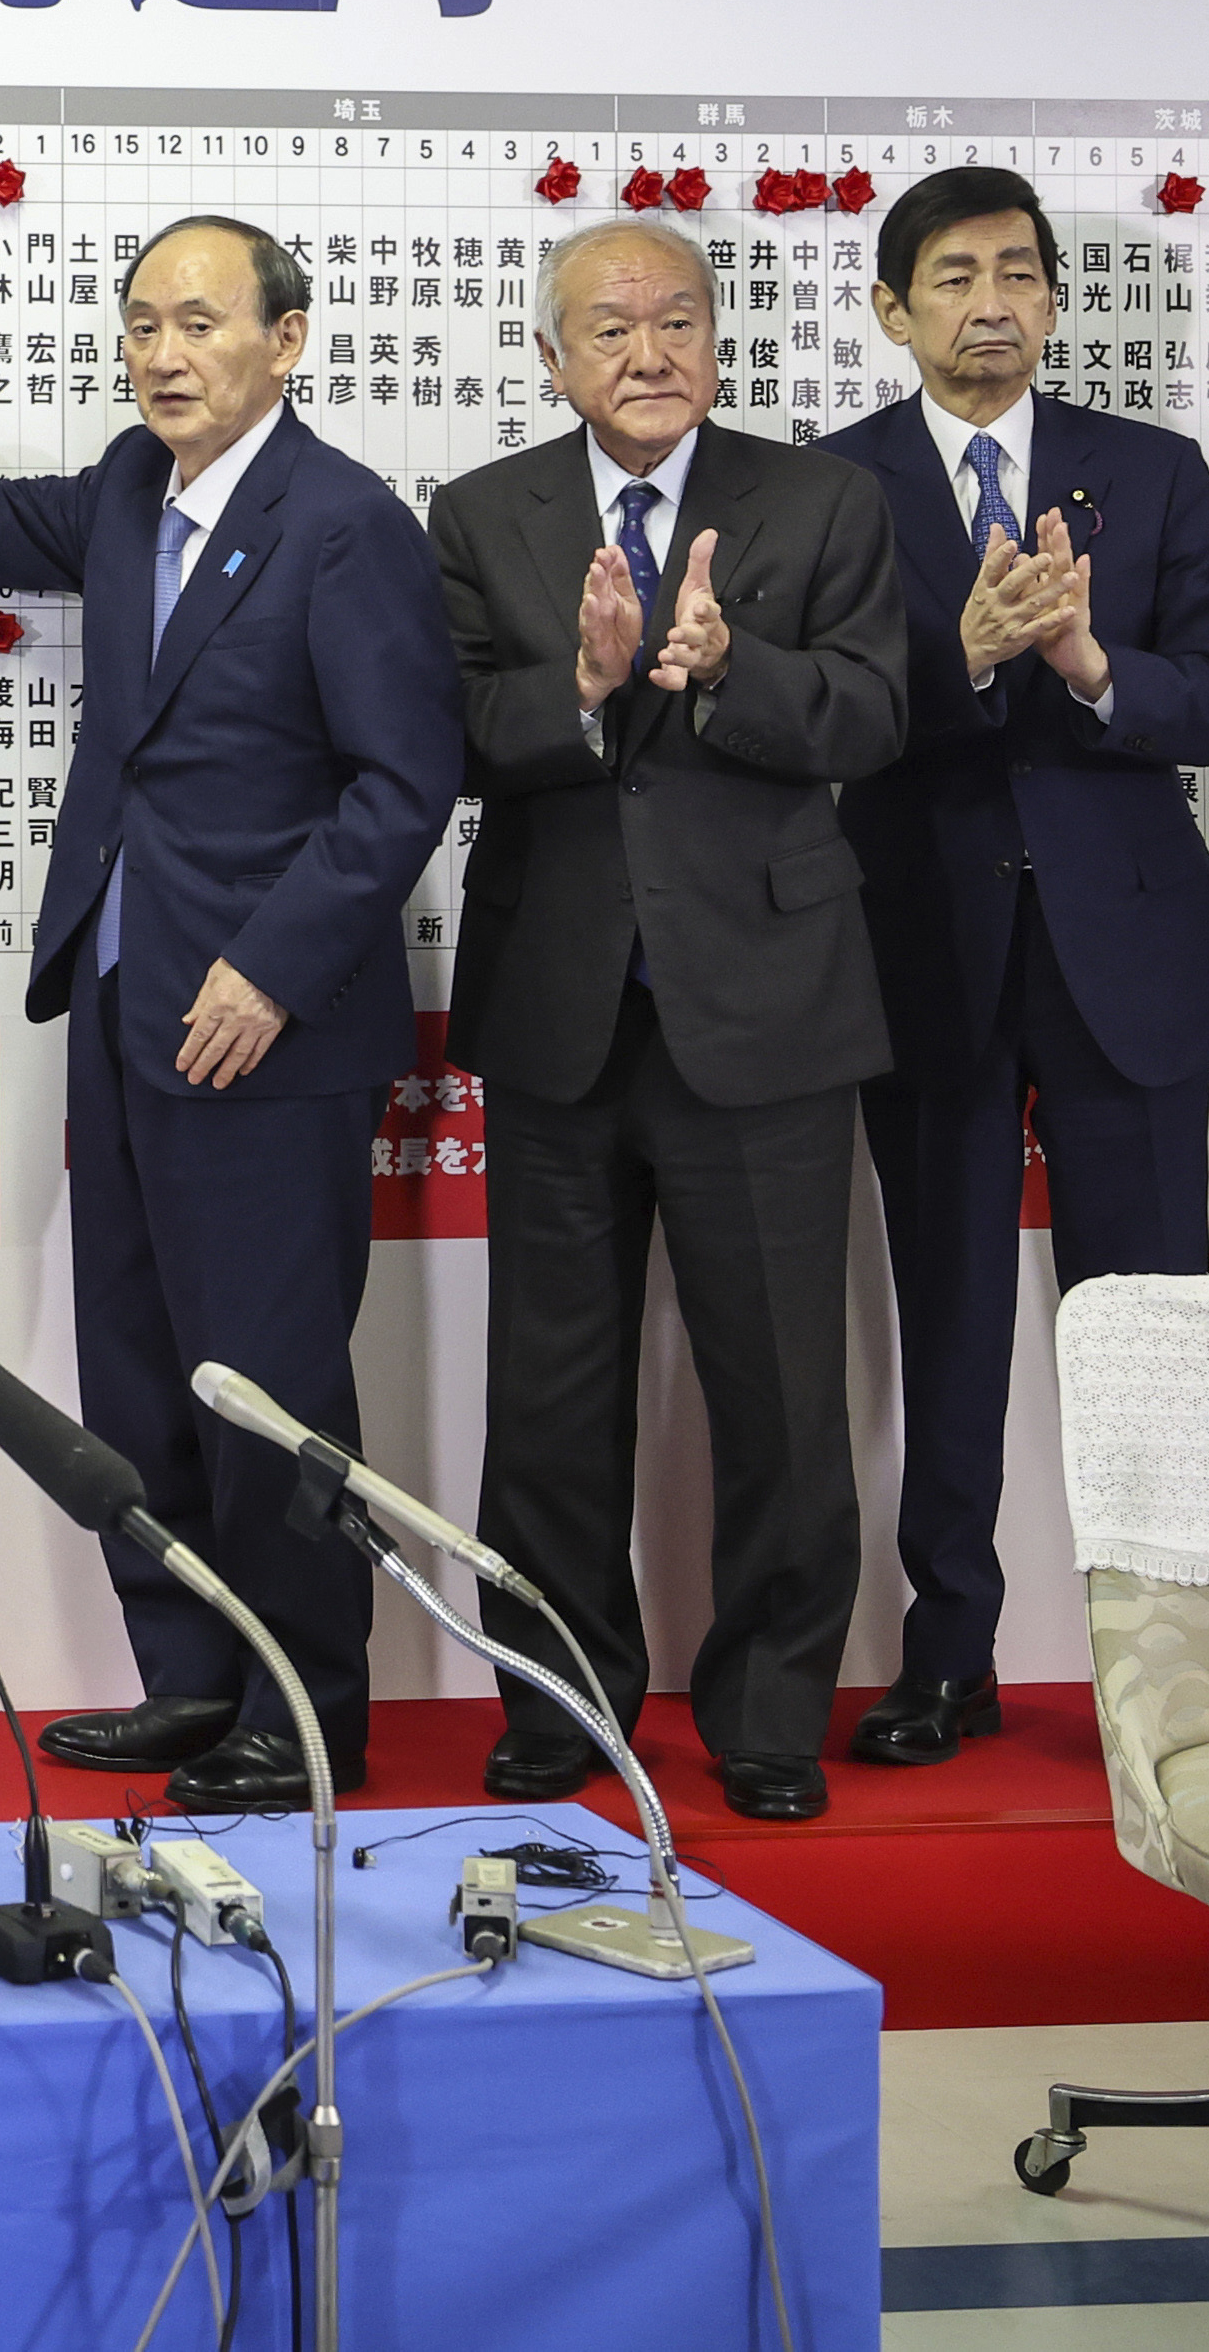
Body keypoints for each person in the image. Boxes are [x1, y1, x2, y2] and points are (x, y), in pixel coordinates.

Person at [0, 209, 464, 1812]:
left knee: (268, 1381)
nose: (163, 352)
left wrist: (273, 965)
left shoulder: (345, 523)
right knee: (140, 1364)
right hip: (126, 991)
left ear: (286, 340)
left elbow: (402, 782)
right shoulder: (134, 487)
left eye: (200, 322)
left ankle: (304, 1710)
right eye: (143, 322)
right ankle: (194, 1676)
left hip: (266, 1020)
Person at [426, 216, 910, 1822]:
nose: (651, 352)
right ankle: (559, 1699)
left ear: (719, 337)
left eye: (679, 320)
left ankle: (769, 1708)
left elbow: (875, 711)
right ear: (550, 354)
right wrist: (581, 685)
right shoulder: (481, 511)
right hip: (558, 1008)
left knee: (780, 1388)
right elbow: (449, 729)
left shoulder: (823, 499)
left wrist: (727, 668)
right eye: (612, 326)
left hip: (766, 1007)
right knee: (549, 1392)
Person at [818, 169, 1209, 1768]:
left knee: (1148, 1332)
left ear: (1058, 300)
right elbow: (819, 717)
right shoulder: (831, 485)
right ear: (894, 309)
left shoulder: (1149, 470)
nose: (991, 302)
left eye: (1018, 271)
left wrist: (1086, 663)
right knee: (948, 1324)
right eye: (954, 275)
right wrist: (964, 655)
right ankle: (950, 1654)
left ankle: (1168, 1667)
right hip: (920, 949)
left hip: (1124, 953)